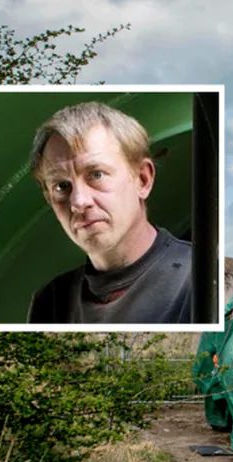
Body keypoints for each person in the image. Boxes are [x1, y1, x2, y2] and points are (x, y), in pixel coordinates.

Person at [27, 101, 192, 324]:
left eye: (96, 175)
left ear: (142, 179)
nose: (79, 202)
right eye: (62, 186)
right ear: (49, 199)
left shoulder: (204, 280)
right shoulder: (50, 302)